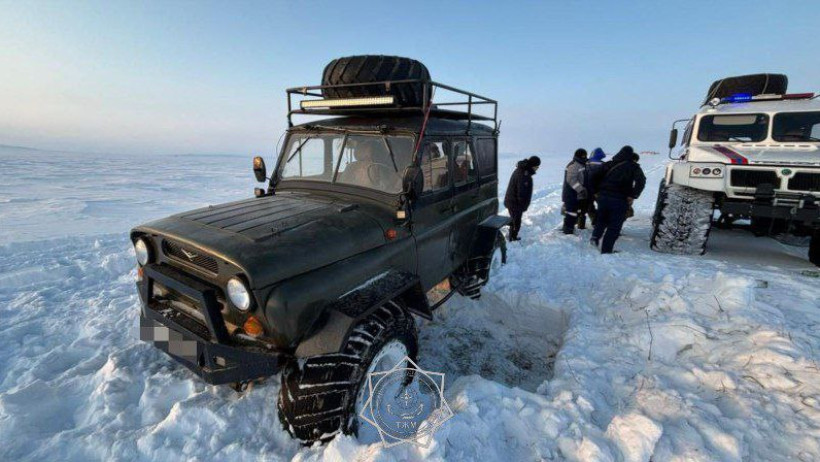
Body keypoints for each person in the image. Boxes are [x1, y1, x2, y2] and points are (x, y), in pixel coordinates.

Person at [590, 145, 646, 254]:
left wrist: (596, 192)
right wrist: (633, 195)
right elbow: (641, 181)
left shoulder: (609, 164)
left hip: (603, 197)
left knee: (601, 219)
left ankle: (595, 238)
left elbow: (593, 177)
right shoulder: (633, 167)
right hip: (619, 199)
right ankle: (606, 250)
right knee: (614, 226)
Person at [504, 155, 541, 241]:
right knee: (516, 222)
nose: (537, 169)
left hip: (512, 201)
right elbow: (522, 192)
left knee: (515, 220)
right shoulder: (524, 174)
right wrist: (522, 206)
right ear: (533, 166)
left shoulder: (522, 170)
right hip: (515, 202)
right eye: (537, 167)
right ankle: (512, 238)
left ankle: (512, 236)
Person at [562, 149, 588, 234]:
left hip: (576, 194)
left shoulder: (580, 164)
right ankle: (567, 231)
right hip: (571, 194)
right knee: (571, 213)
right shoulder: (574, 165)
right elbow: (571, 180)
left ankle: (569, 229)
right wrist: (581, 190)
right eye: (583, 156)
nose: (585, 157)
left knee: (574, 212)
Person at [581, 147, 607, 228]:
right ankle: (598, 223)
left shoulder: (586, 163)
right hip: (598, 190)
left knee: (588, 207)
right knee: (602, 207)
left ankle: (582, 225)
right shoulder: (603, 165)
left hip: (586, 189)